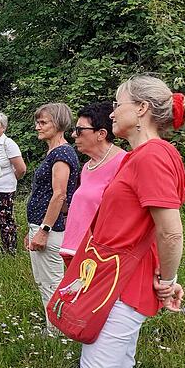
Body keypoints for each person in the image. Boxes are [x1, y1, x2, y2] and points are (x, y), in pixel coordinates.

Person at [77, 75, 185, 368]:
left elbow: (171, 232)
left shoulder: (152, 156)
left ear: (143, 108)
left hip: (120, 286)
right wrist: (164, 274)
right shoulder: (145, 156)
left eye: (118, 104)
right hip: (121, 280)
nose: (113, 113)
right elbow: (146, 229)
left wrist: (167, 280)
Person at [25, 103, 80, 331]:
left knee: (52, 282)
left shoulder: (62, 153)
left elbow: (59, 195)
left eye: (43, 122)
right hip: (40, 225)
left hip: (50, 229)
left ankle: (57, 332)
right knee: (44, 280)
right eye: (38, 122)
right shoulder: (53, 151)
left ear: (58, 124)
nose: (38, 126)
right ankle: (53, 326)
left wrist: (43, 230)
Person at [60, 102, 126, 267]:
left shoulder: (124, 163)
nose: (74, 135)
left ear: (101, 134)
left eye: (80, 130)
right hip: (76, 252)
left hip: (102, 257)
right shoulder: (88, 167)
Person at [0, 112, 26, 254]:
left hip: (3, 189)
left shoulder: (8, 144)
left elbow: (21, 168)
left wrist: (10, 179)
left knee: (5, 220)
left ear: (3, 128)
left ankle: (10, 250)